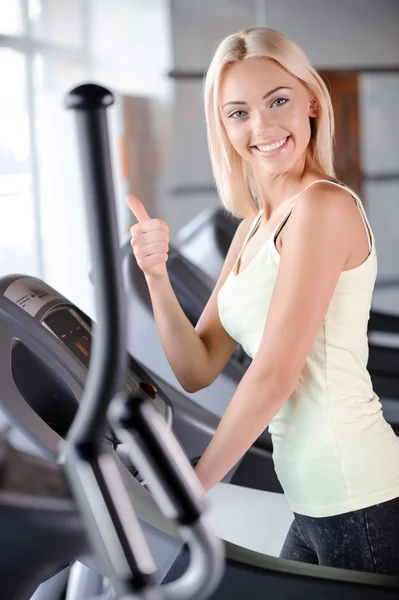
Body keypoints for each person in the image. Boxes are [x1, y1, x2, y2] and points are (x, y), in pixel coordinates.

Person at [126, 27, 399, 575]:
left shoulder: (323, 207)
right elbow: (196, 366)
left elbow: (274, 372)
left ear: (312, 103)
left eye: (278, 101)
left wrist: (191, 483)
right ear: (222, 128)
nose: (263, 126)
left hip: (357, 492)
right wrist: (156, 275)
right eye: (238, 112)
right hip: (312, 493)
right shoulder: (253, 227)